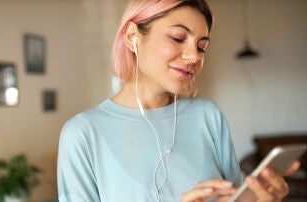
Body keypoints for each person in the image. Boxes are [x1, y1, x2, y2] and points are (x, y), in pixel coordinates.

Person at [57, 0, 300, 201]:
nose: (194, 56)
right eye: (177, 38)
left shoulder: (208, 115)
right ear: (133, 36)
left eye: (201, 47)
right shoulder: (82, 133)